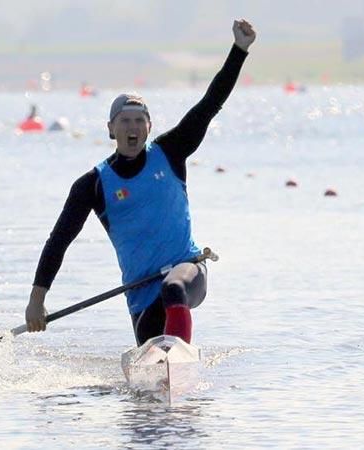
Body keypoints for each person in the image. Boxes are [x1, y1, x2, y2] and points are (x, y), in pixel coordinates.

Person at [25, 19, 257, 346]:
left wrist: (239, 50)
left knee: (173, 289)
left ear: (148, 128)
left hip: (187, 270)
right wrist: (37, 300)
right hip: (140, 292)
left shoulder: (171, 151)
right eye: (124, 121)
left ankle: (178, 359)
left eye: (138, 121)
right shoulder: (91, 185)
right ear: (110, 129)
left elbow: (210, 104)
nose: (132, 128)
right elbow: (59, 240)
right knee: (150, 351)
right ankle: (163, 364)